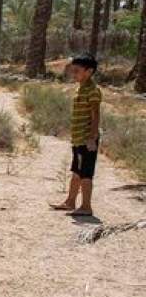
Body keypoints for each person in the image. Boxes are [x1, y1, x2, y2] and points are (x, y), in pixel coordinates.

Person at [50, 54, 102, 217]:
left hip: (87, 139)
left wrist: (92, 137)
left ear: (89, 71)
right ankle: (70, 202)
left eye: (77, 71)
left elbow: (95, 114)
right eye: (73, 71)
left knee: (86, 174)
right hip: (78, 138)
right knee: (76, 171)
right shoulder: (80, 88)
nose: (74, 74)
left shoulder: (93, 90)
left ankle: (86, 206)